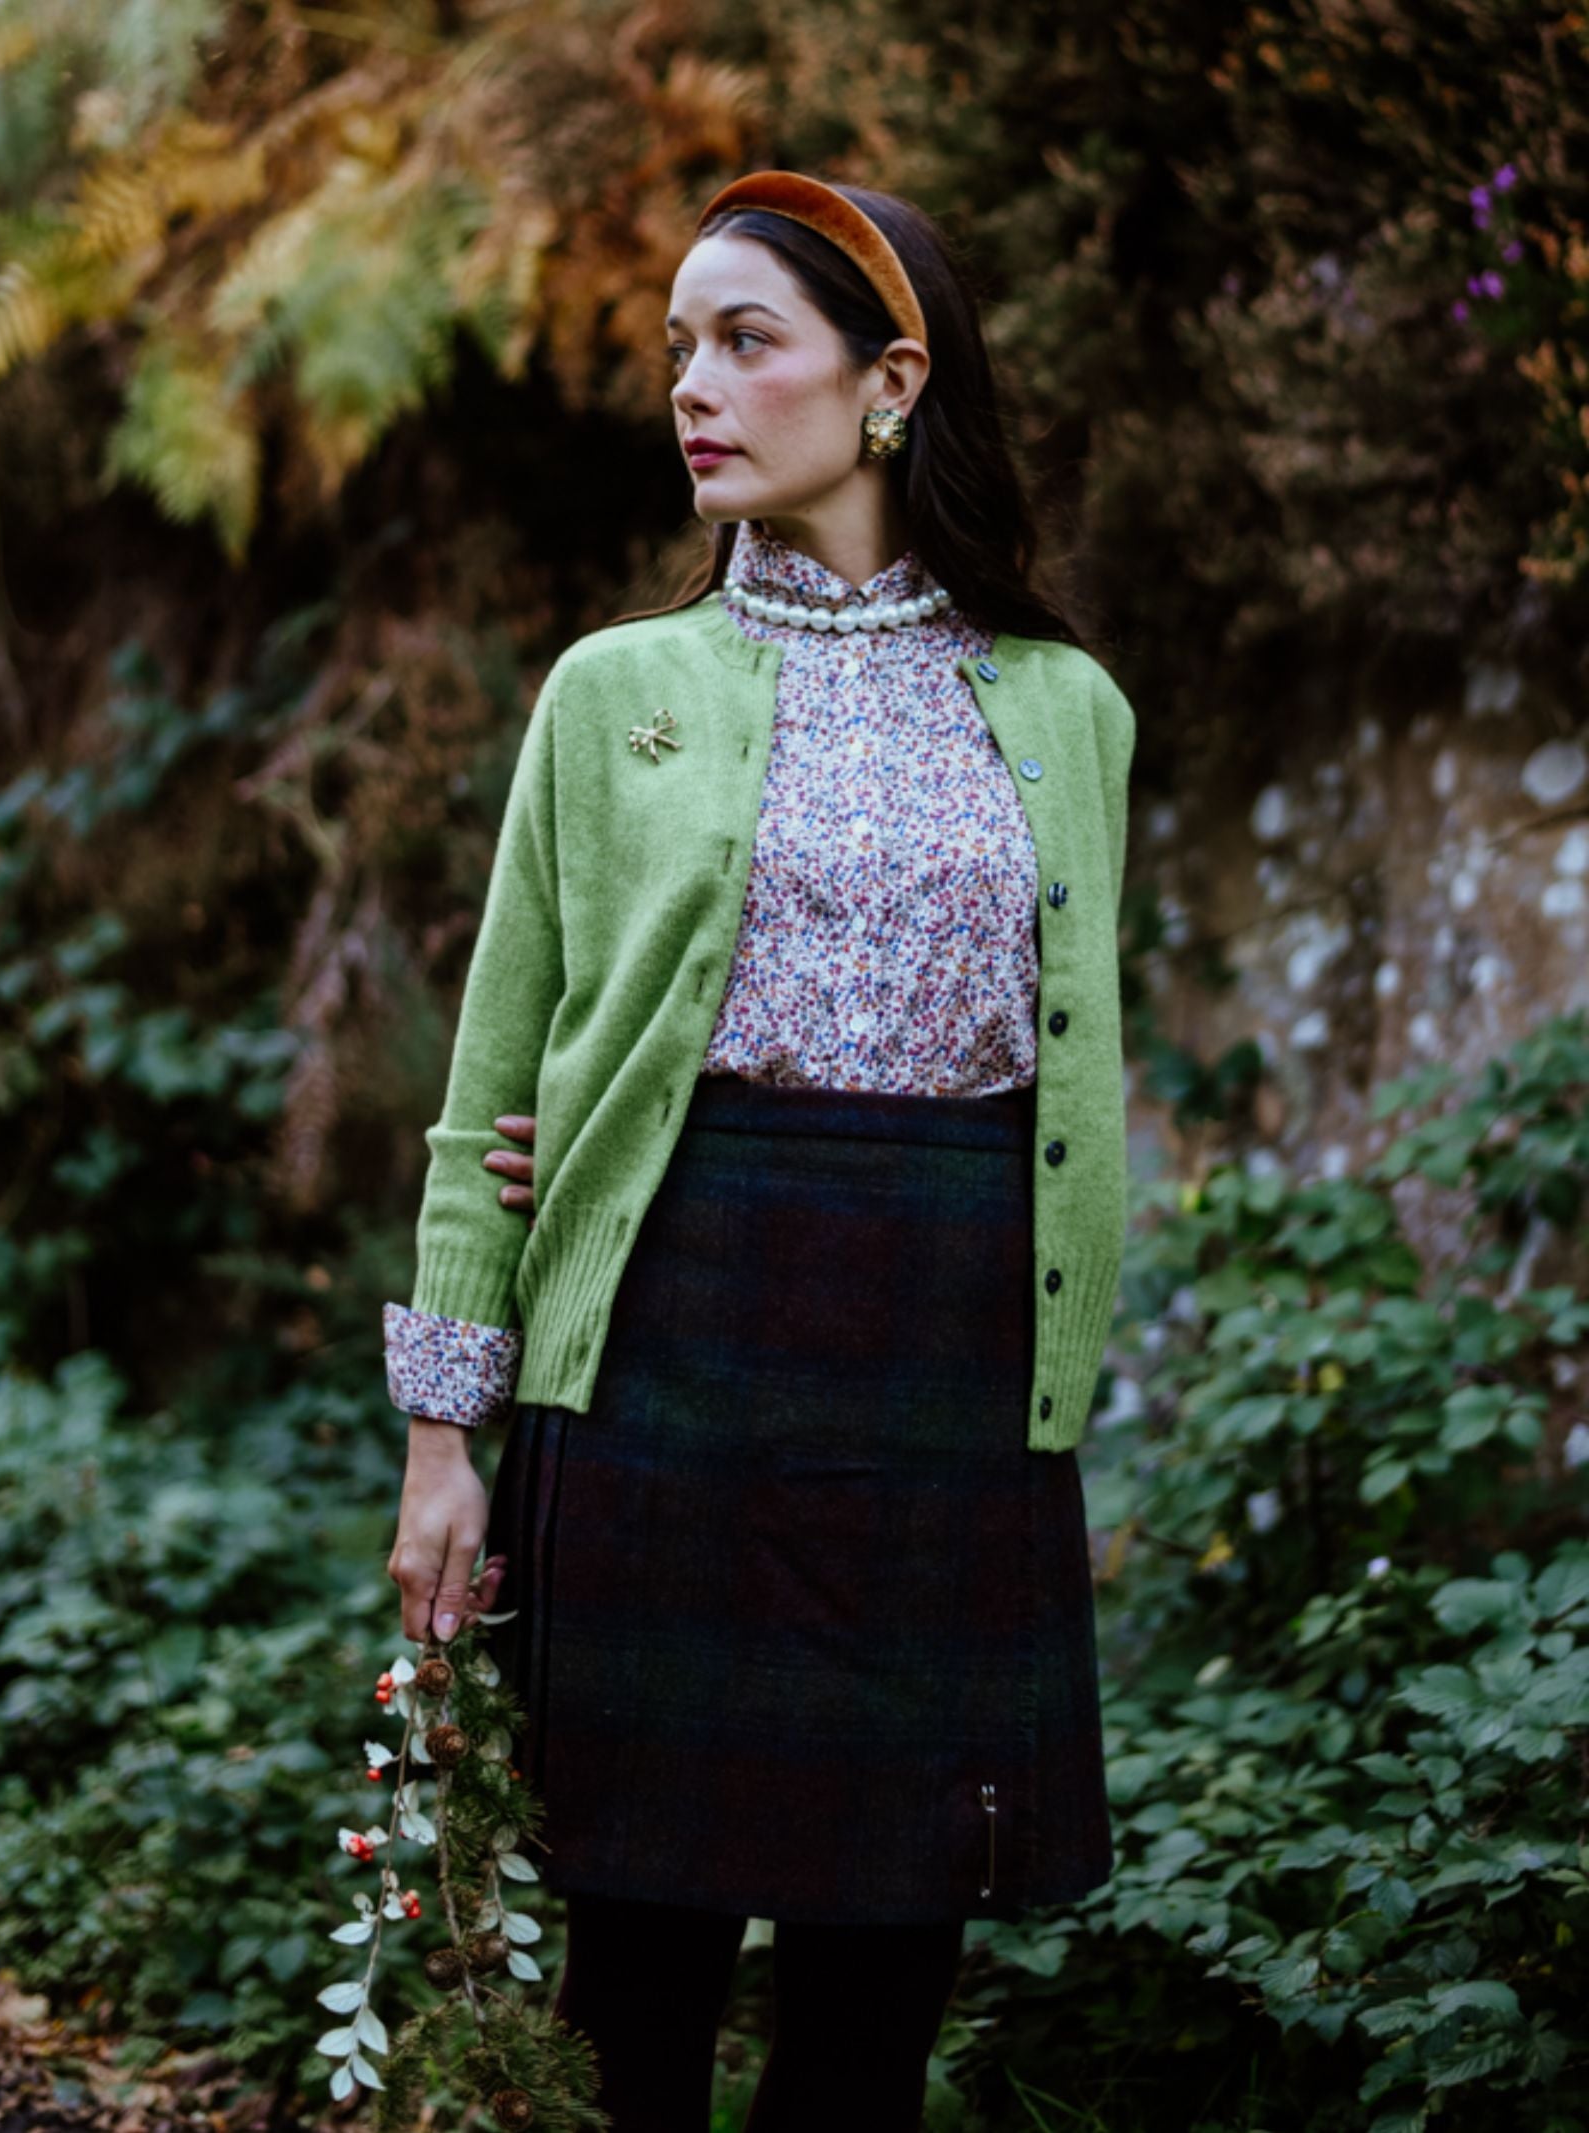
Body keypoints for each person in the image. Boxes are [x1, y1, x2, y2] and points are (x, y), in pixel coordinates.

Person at [382, 170, 1136, 2133]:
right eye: (672, 352)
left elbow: (1067, 1078)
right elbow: (493, 1087)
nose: (690, 389)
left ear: (888, 384)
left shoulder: (1068, 712)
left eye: (742, 342)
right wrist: (443, 1430)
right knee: (636, 1960)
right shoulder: (612, 695)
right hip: (662, 1339)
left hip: (939, 1367)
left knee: (883, 1972)